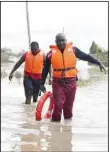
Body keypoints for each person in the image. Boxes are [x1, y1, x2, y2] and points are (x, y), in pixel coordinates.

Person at [40, 33, 106, 122]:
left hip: (71, 82)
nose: (61, 42)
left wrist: (98, 63)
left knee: (68, 107)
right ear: (56, 42)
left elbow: (86, 56)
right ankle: (55, 129)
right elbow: (45, 69)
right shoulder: (50, 54)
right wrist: (41, 83)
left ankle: (68, 129)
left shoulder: (73, 50)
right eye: (59, 41)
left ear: (66, 41)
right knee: (58, 105)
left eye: (63, 40)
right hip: (58, 82)